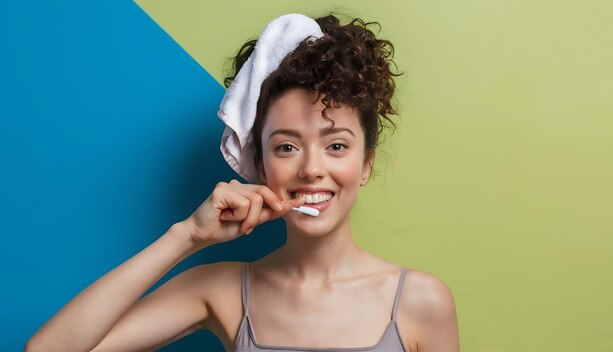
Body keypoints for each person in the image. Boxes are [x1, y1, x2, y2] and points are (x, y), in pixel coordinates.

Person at [25, 13, 459, 352]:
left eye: (336, 146)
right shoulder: (221, 289)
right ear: (259, 162)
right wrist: (187, 236)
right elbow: (47, 348)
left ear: (366, 164)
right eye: (287, 147)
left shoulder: (421, 301)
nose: (310, 168)